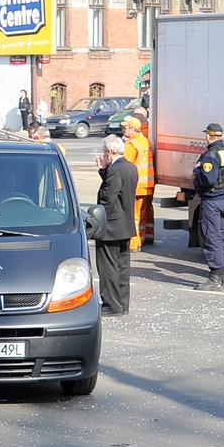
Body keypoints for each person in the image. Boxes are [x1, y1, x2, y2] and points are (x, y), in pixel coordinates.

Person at [95, 127, 138, 315]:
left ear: (109, 152)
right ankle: (122, 304)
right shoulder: (130, 167)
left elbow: (108, 197)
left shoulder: (114, 170)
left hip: (111, 226)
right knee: (122, 267)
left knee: (108, 267)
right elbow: (120, 192)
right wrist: (104, 173)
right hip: (125, 224)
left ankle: (111, 305)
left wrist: (104, 173)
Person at [188, 122, 224, 291]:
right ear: (221, 136)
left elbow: (207, 179)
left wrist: (198, 171)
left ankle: (215, 276)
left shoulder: (210, 155)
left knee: (211, 236)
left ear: (208, 136)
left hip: (211, 199)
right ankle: (222, 274)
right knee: (222, 236)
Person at [121, 113, 154, 250]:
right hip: (147, 184)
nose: (123, 130)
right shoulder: (144, 141)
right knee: (143, 213)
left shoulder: (131, 144)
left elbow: (125, 165)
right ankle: (146, 237)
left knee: (133, 216)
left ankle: (134, 243)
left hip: (135, 185)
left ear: (132, 129)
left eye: (125, 128)